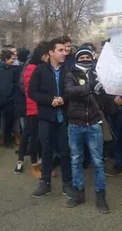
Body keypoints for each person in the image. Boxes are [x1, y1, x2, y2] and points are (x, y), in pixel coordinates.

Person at [63, 46, 113, 213]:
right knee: (76, 159)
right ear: (77, 59)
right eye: (81, 57)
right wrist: (91, 86)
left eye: (87, 57)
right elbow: (70, 92)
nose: (85, 59)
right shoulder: (70, 73)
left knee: (98, 162)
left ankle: (100, 196)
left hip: (94, 123)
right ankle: (78, 193)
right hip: (75, 124)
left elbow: (106, 101)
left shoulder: (99, 73)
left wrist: (102, 91)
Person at [29, 37, 74, 199]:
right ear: (51, 52)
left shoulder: (69, 70)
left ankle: (67, 184)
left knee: (65, 152)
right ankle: (45, 183)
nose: (64, 53)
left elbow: (73, 90)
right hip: (46, 118)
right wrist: (50, 100)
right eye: (60, 50)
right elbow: (32, 92)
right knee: (46, 151)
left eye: (66, 50)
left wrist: (63, 98)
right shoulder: (40, 70)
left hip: (64, 119)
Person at [15, 42, 49, 177]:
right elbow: (30, 89)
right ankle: (32, 164)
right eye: (47, 55)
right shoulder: (32, 68)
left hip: (36, 105)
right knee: (32, 135)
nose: (48, 57)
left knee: (30, 133)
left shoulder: (37, 66)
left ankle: (24, 160)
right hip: (34, 106)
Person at [0, 50, 20, 149]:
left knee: (9, 122)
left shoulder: (14, 70)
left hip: (10, 100)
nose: (14, 61)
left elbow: (16, 84)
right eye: (12, 59)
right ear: (6, 59)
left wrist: (14, 97)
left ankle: (8, 141)